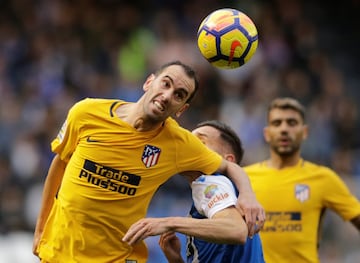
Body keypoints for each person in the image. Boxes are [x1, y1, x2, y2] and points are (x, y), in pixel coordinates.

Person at [32, 61, 265, 263]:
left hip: (116, 257)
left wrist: (247, 195)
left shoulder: (179, 143)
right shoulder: (86, 112)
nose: (167, 95)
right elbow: (61, 162)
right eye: (166, 83)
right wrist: (41, 227)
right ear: (148, 82)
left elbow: (228, 166)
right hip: (58, 250)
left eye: (179, 94)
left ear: (181, 109)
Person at [123, 120, 265, 263]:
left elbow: (237, 231)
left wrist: (169, 222)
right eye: (190, 141)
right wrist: (176, 259)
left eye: (201, 142)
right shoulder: (218, 198)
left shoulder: (210, 182)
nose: (189, 148)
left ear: (226, 160)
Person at [244, 97, 360, 263]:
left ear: (305, 132)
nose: (284, 129)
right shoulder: (244, 178)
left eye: (291, 123)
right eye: (277, 123)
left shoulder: (323, 178)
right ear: (267, 134)